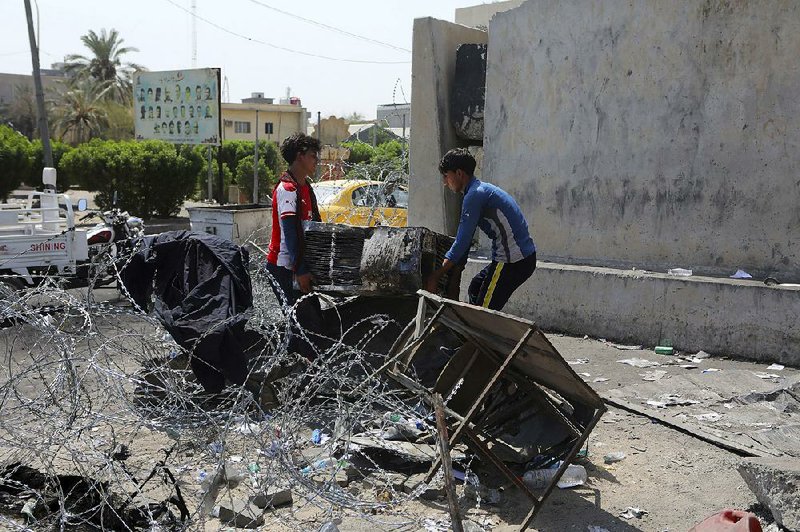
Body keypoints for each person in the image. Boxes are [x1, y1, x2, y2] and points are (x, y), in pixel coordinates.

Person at [425, 148, 537, 311]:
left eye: (446, 176)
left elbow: (462, 240)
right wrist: (454, 270)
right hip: (520, 257)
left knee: (481, 313)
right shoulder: (480, 190)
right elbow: (466, 237)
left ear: (459, 174)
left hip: (513, 261)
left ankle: (478, 335)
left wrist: (436, 275)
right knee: (476, 287)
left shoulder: (474, 196)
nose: (444, 182)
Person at [266, 132, 323, 360]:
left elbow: (316, 226)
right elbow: (290, 232)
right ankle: (290, 373)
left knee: (311, 325)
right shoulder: (287, 189)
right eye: (312, 156)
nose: (316, 160)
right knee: (304, 329)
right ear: (299, 156)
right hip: (285, 268)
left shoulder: (306, 188)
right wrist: (300, 271)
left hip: (300, 265)